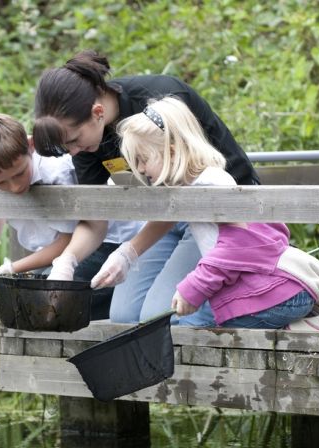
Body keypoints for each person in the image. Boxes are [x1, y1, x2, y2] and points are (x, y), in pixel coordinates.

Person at [34, 50, 260, 325]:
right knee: (123, 316)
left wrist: (130, 251)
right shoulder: (87, 144)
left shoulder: (160, 103)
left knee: (160, 316)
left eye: (74, 140)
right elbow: (94, 218)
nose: (73, 151)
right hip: (162, 219)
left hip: (215, 220)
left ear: (97, 112)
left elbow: (181, 197)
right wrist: (66, 261)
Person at [116, 96, 319, 328]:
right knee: (170, 319)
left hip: (273, 295)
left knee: (174, 323)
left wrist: (194, 288)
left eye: (143, 159)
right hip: (259, 291)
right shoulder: (191, 186)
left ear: (172, 152)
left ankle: (294, 326)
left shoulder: (212, 184)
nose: (141, 169)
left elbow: (237, 246)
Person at [0, 113, 141, 318]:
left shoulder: (59, 171)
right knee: (18, 294)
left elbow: (68, 239)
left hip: (105, 241)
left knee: (43, 302)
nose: (14, 187)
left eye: (19, 173)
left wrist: (12, 269)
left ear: (31, 147)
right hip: (57, 253)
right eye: (1, 183)